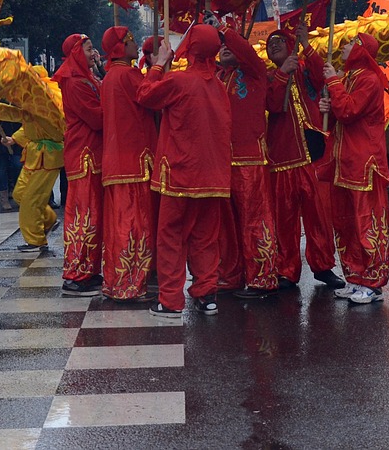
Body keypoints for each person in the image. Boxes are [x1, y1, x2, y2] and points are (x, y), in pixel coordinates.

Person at [137, 24, 232, 318]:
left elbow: (145, 95)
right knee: (205, 237)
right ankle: (207, 294)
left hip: (180, 174)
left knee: (171, 236)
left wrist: (158, 66)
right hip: (213, 177)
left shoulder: (180, 81)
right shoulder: (218, 86)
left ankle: (170, 300)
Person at [265, 27, 344, 289]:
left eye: (279, 41)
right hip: (283, 155)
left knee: (318, 216)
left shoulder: (305, 70)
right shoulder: (270, 76)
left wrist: (307, 45)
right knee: (284, 218)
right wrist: (281, 74)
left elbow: (322, 76)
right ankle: (286, 269)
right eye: (270, 43)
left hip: (312, 152)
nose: (273, 45)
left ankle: (323, 266)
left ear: (291, 46)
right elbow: (274, 105)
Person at [320, 33, 389, 303]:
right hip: (345, 161)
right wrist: (329, 104)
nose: (344, 47)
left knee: (366, 222)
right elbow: (341, 113)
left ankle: (373, 283)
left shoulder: (369, 79)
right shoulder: (348, 78)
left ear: (362, 50)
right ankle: (355, 277)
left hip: (364, 162)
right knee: (346, 223)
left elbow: (349, 110)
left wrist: (334, 84)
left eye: (350, 43)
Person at [216, 22, 279, 298]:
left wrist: (223, 29)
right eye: (221, 46)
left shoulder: (254, 72)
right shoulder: (218, 76)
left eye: (231, 45)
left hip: (250, 159)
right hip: (221, 161)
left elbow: (247, 53)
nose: (225, 48)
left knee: (254, 219)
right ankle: (231, 276)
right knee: (226, 224)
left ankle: (261, 278)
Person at [97, 25, 158, 300]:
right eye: (131, 41)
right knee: (135, 224)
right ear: (121, 47)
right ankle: (130, 284)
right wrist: (158, 68)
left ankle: (116, 281)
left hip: (116, 163)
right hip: (133, 162)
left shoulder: (110, 76)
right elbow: (152, 96)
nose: (135, 46)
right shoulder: (128, 74)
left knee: (118, 224)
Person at [55, 33, 104, 296]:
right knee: (84, 217)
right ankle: (76, 274)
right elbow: (96, 118)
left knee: (93, 215)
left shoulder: (87, 77)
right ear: (75, 53)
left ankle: (90, 270)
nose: (93, 53)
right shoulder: (74, 82)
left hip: (92, 155)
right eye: (88, 49)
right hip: (84, 156)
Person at [8, 76, 65, 253]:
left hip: (47, 157)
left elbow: (35, 121)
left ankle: (36, 240)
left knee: (30, 200)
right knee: (19, 194)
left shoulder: (49, 104)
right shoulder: (31, 104)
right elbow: (28, 124)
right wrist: (14, 138)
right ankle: (48, 219)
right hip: (33, 156)